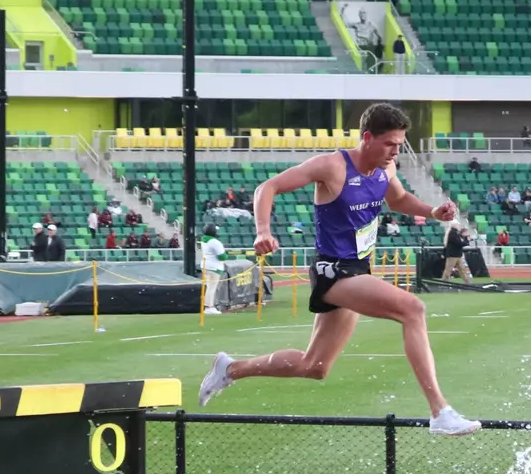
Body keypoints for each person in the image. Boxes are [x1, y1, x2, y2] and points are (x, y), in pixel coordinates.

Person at [196, 102, 478, 436]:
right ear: (367, 137)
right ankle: (439, 412)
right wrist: (263, 231)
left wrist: (433, 211)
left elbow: (398, 199)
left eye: (400, 144)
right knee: (413, 309)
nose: (395, 150)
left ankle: (230, 369)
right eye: (390, 143)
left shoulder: (386, 168)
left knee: (314, 366)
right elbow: (266, 188)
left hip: (358, 268)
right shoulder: (332, 166)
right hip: (334, 270)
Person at [201, 223, 226, 314]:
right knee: (211, 288)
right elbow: (222, 256)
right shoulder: (215, 242)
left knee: (209, 287)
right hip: (214, 267)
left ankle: (209, 306)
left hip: (206, 265)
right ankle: (209, 307)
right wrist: (226, 255)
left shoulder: (204, 240)